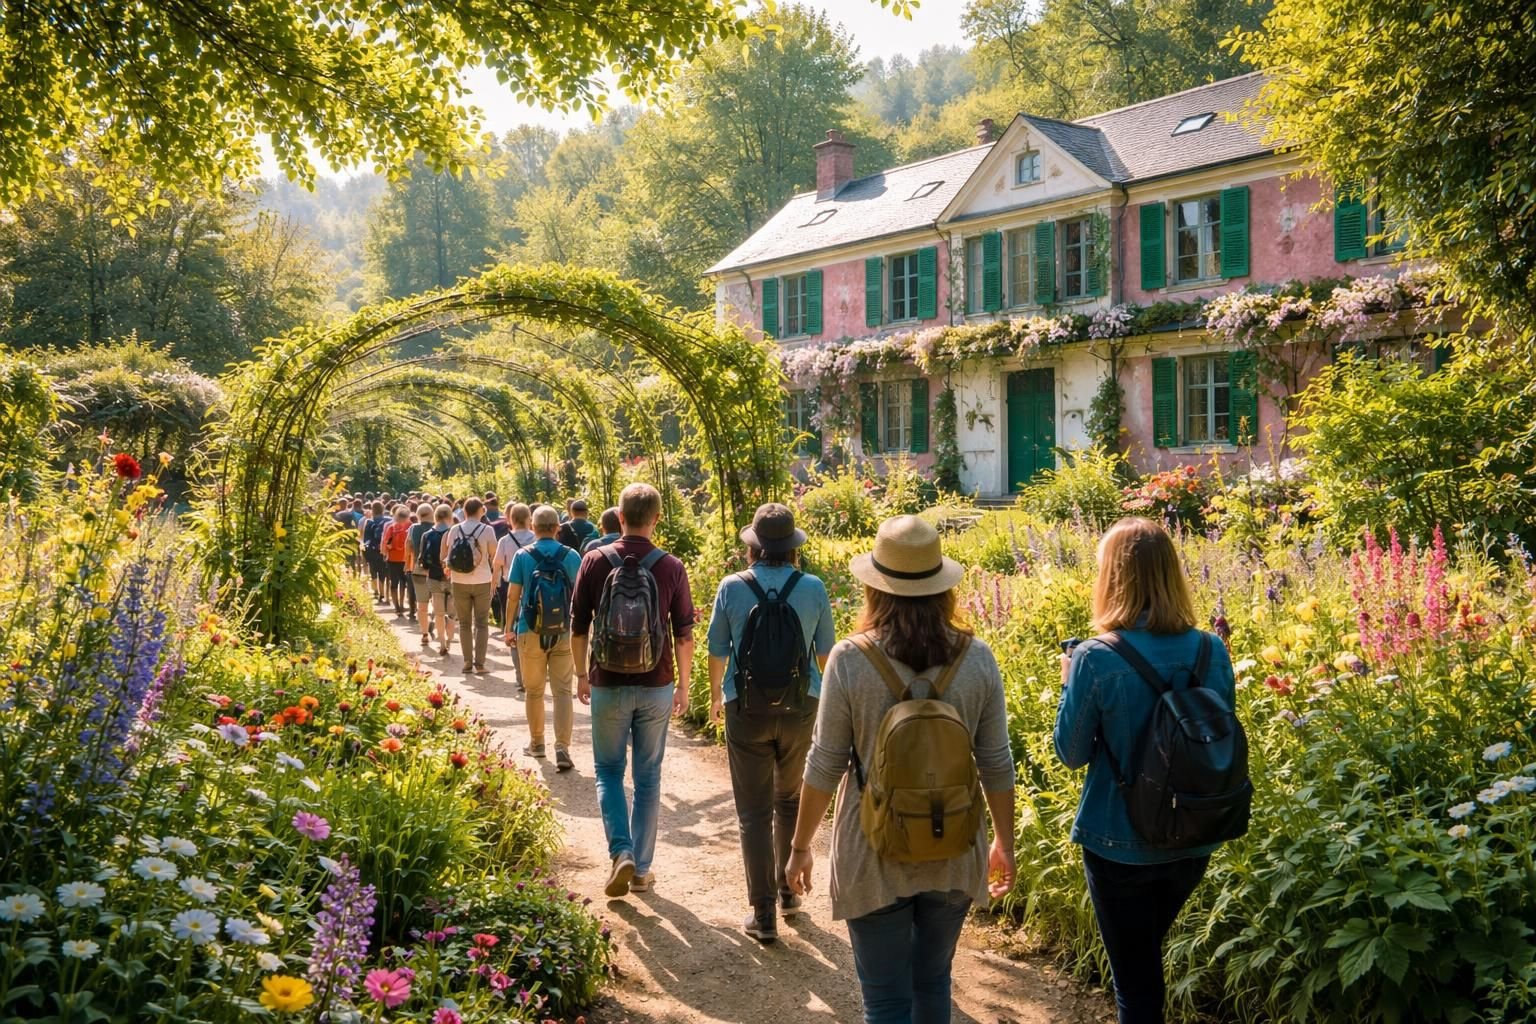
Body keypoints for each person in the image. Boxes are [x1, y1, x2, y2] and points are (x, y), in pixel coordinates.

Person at [785, 515, 1016, 1021]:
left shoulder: (850, 659)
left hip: (873, 849)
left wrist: (800, 847)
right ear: (943, 588)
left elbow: (824, 763)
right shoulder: (977, 658)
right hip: (954, 846)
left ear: (876, 587)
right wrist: (1004, 842)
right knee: (933, 982)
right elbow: (996, 762)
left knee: (886, 1000)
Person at [1053, 517, 1235, 1024]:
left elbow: (1070, 753)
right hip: (1193, 834)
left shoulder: (1095, 657)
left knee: (1136, 987)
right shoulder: (1210, 648)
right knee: (1143, 958)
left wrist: (1070, 683)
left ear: (1112, 577)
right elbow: (1219, 735)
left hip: (1118, 842)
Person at [707, 503, 835, 942]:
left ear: (754, 548)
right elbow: (825, 655)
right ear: (792, 548)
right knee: (789, 801)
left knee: (753, 811)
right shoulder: (813, 587)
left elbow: (718, 649)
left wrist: (716, 700)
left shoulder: (732, 586)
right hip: (801, 709)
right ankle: (789, 892)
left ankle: (763, 915)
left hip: (747, 709)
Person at [571, 482, 695, 898]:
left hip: (607, 682)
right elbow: (684, 634)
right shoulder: (671, 566)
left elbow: (578, 627)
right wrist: (684, 688)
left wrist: (580, 674)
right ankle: (641, 870)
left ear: (619, 517)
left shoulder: (593, 560)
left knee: (607, 772)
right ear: (656, 519)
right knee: (648, 778)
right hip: (656, 684)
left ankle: (620, 851)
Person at [507, 505, 583, 771]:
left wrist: (508, 627)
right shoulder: (572, 556)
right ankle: (562, 746)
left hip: (530, 629)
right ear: (557, 528)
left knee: (534, 690)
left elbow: (513, 594)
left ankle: (537, 743)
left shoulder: (523, 555)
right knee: (563, 691)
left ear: (534, 527)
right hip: (563, 631)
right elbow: (580, 597)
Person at [441, 496, 498, 674]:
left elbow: (450, 556)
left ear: (464, 511)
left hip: (459, 581)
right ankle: (480, 664)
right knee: (481, 623)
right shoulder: (487, 530)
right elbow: (493, 555)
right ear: (481, 511)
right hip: (482, 580)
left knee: (464, 623)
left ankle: (467, 662)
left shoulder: (455, 529)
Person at [495, 503, 537, 695]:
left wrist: (494, 584)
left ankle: (521, 676)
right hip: (535, 589)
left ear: (510, 519)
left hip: (510, 588)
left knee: (512, 632)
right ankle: (535, 673)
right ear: (529, 518)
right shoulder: (536, 538)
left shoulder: (505, 540)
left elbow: (498, 564)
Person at [407, 503, 436, 648]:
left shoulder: (413, 528)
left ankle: (424, 633)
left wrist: (408, 565)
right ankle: (434, 622)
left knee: (422, 604)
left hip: (418, 570)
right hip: (436, 572)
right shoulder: (437, 528)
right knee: (437, 603)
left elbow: (409, 547)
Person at [382, 504, 413, 617]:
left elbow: (386, 542)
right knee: (403, 583)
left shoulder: (391, 527)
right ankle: (401, 604)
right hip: (405, 559)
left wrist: (385, 553)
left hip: (392, 559)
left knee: (393, 583)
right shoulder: (410, 526)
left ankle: (396, 607)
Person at [360, 501, 389, 603]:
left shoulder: (368, 522)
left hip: (372, 550)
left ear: (372, 510)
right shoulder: (388, 520)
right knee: (383, 571)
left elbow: (365, 539)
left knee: (373, 570)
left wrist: (364, 553)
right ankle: (383, 592)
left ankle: (375, 590)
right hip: (384, 550)